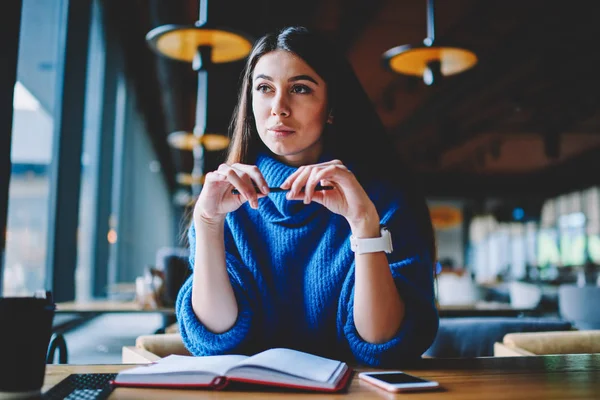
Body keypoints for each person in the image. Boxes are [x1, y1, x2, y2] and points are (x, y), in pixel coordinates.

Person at [176, 26, 439, 367]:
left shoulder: (381, 200)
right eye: (264, 88)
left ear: (331, 106)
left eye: (300, 89)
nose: (278, 107)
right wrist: (208, 223)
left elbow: (385, 345)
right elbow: (214, 340)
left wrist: (364, 226)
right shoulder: (225, 202)